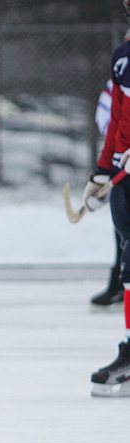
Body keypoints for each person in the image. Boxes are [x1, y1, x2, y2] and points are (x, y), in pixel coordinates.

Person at [85, 0, 130, 396]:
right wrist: (103, 170)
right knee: (129, 271)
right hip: (126, 179)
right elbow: (116, 121)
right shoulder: (123, 58)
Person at [90, 79, 124, 310]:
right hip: (123, 162)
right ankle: (120, 284)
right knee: (123, 228)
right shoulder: (122, 69)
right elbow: (105, 119)